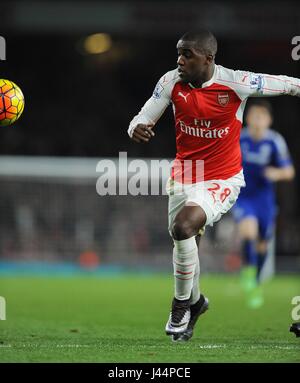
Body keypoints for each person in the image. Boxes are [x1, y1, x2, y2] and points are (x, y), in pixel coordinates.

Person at [128, 29, 300, 342]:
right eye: (178, 53)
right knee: (183, 242)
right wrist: (135, 128)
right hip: (184, 175)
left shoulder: (235, 82)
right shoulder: (171, 82)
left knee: (183, 228)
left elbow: (286, 84)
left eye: (187, 55)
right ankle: (196, 303)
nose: (180, 60)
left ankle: (180, 303)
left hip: (223, 178)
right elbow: (143, 115)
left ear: (208, 58)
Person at [232, 99, 295, 309]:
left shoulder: (274, 141)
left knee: (262, 244)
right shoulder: (239, 139)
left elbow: (289, 172)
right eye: (253, 116)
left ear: (269, 120)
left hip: (265, 200)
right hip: (244, 196)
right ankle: (248, 275)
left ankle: (256, 281)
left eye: (261, 116)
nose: (257, 120)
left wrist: (275, 173)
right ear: (247, 118)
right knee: (248, 233)